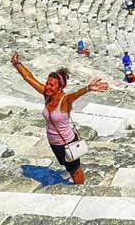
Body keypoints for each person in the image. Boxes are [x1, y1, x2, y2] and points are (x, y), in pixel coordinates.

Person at [10, 52, 108, 185]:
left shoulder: (65, 100)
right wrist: (17, 64)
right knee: (67, 167)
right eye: (47, 83)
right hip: (54, 143)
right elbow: (29, 78)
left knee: (74, 170)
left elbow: (75, 95)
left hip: (67, 142)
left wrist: (88, 88)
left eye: (52, 85)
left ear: (59, 87)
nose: (48, 87)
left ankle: (81, 190)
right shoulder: (47, 95)